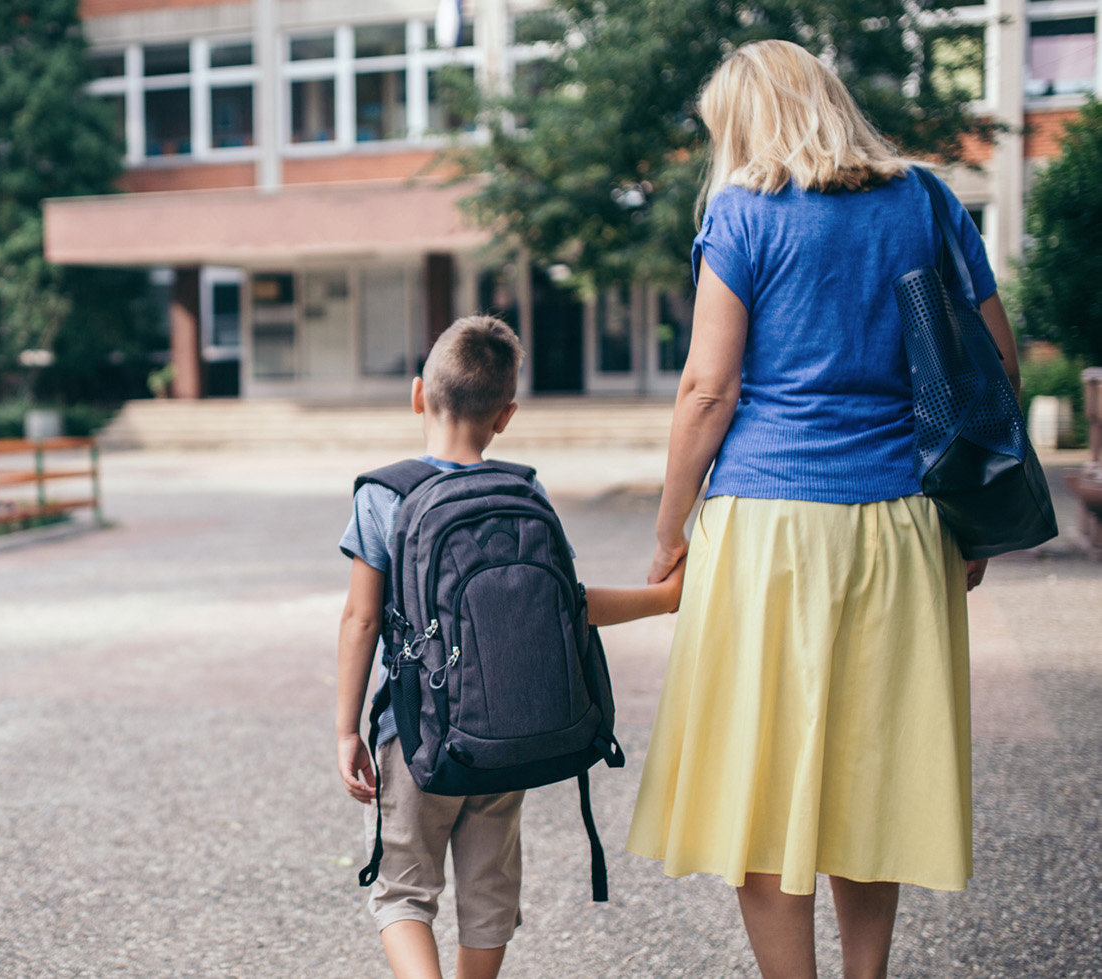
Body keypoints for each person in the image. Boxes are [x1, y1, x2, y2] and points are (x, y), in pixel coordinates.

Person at [625, 39, 1015, 979]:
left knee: (762, 787)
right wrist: (968, 518)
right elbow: (994, 363)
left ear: (750, 123)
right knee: (867, 777)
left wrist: (670, 524)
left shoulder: (744, 211)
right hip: (906, 522)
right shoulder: (925, 199)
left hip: (770, 531)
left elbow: (708, 391)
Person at [335, 315, 684, 979]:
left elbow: (360, 618)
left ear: (418, 394)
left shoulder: (381, 493)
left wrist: (346, 728)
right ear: (506, 416)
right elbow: (569, 604)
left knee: (404, 889)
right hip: (505, 735)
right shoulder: (525, 491)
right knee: (489, 890)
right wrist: (665, 599)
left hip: (412, 735)